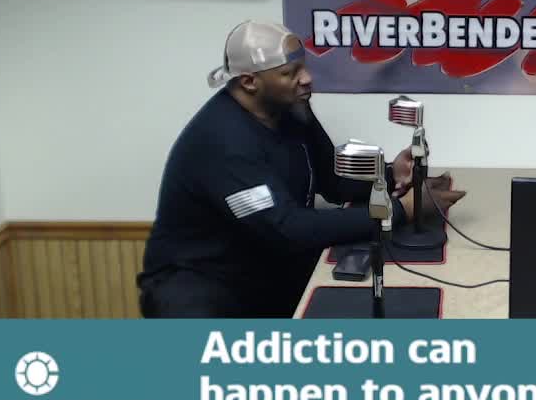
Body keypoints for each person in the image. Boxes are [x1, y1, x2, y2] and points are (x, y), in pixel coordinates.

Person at [137, 20, 466, 318]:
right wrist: (400, 209)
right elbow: (288, 228)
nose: (307, 78)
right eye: (289, 73)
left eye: (304, 67)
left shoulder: (291, 109)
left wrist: (392, 174)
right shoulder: (224, 141)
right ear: (250, 81)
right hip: (200, 290)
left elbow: (333, 181)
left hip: (262, 270)